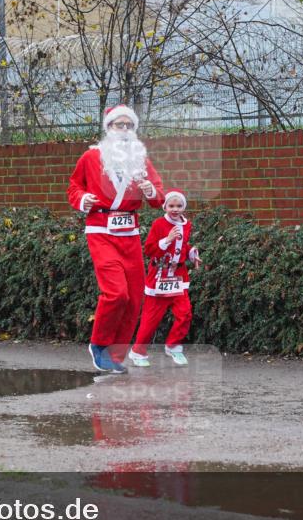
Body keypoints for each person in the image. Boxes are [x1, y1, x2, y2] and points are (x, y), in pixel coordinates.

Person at [67, 104, 165, 373]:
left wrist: (150, 191)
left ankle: (115, 354)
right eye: (118, 125)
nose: (124, 130)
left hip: (129, 233)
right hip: (101, 231)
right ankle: (98, 344)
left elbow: (158, 198)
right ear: (108, 128)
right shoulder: (92, 157)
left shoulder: (140, 160)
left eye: (128, 125)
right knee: (116, 293)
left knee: (134, 297)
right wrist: (83, 199)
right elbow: (74, 187)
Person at [128, 190, 202, 367]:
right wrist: (167, 240)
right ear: (165, 206)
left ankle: (174, 346)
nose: (175, 209)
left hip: (178, 277)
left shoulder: (186, 224)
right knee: (151, 319)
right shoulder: (159, 224)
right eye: (171, 206)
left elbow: (183, 245)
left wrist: (192, 254)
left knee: (185, 313)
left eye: (179, 206)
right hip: (160, 277)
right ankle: (137, 352)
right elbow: (149, 250)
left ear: (183, 207)